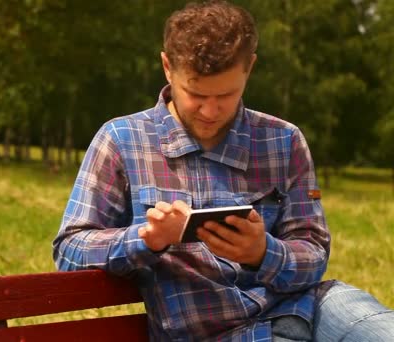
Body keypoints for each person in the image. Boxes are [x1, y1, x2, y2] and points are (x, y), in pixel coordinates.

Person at [52, 0, 394, 340]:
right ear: (168, 67)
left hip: (312, 308)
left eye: (227, 94)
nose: (211, 110)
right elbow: (70, 249)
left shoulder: (284, 140)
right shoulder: (122, 140)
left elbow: (314, 252)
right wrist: (147, 239)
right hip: (220, 333)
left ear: (250, 68)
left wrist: (263, 252)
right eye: (196, 94)